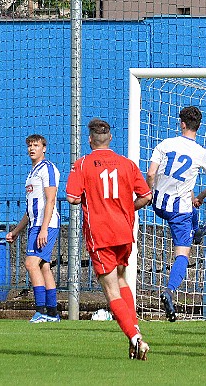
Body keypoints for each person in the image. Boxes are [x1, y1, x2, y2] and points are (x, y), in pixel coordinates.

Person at [66, 118, 153, 360]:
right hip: (124, 232)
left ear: (90, 139)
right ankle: (133, 336)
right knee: (122, 279)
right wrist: (126, 207)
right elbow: (145, 196)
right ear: (111, 138)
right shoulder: (127, 164)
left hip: (101, 234)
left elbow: (72, 197)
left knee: (111, 290)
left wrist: (92, 201)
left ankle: (136, 339)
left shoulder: (82, 164)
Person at [145, 106, 206, 322]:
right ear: (198, 126)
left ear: (182, 124)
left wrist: (152, 191)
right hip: (180, 212)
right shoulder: (200, 152)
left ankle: (196, 231)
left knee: (190, 193)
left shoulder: (166, 144)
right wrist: (202, 197)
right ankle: (169, 291)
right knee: (182, 255)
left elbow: (151, 173)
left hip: (159, 204)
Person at [6, 134, 61, 323]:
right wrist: (15, 231)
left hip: (45, 224)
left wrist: (44, 228)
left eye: (36, 145)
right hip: (34, 224)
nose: (32, 148)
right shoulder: (31, 173)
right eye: (29, 145)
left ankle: (41, 311)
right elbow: (30, 210)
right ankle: (53, 313)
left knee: (30, 264)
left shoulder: (48, 169)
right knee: (44, 266)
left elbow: (51, 200)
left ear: (44, 148)